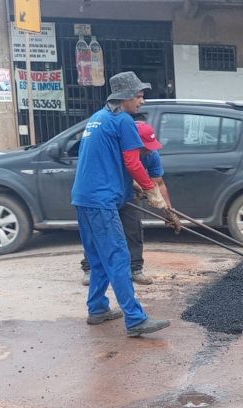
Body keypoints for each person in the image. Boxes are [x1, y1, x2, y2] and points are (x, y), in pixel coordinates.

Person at [72, 71, 171, 337]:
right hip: (102, 200)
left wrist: (132, 187)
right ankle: (136, 319)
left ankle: (98, 308)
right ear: (125, 97)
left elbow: (106, 161)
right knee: (118, 256)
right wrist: (151, 190)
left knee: (97, 258)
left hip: (83, 197)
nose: (142, 101)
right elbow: (132, 161)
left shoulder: (98, 119)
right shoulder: (123, 121)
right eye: (139, 96)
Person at [80, 119, 173, 286]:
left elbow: (158, 182)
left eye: (149, 147)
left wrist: (169, 212)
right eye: (143, 147)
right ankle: (90, 268)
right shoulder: (114, 152)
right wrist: (136, 184)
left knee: (133, 229)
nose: (147, 151)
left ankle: (135, 268)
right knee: (99, 230)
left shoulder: (151, 154)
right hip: (105, 194)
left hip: (127, 194)